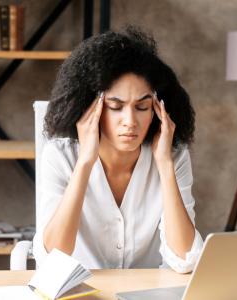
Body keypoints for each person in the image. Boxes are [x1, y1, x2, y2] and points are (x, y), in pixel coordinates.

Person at [32, 26, 203, 274]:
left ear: (158, 110)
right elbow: (53, 260)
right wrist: (84, 164)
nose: (130, 121)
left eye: (142, 107)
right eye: (115, 106)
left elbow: (185, 258)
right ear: (90, 107)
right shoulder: (60, 156)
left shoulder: (173, 156)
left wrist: (165, 166)